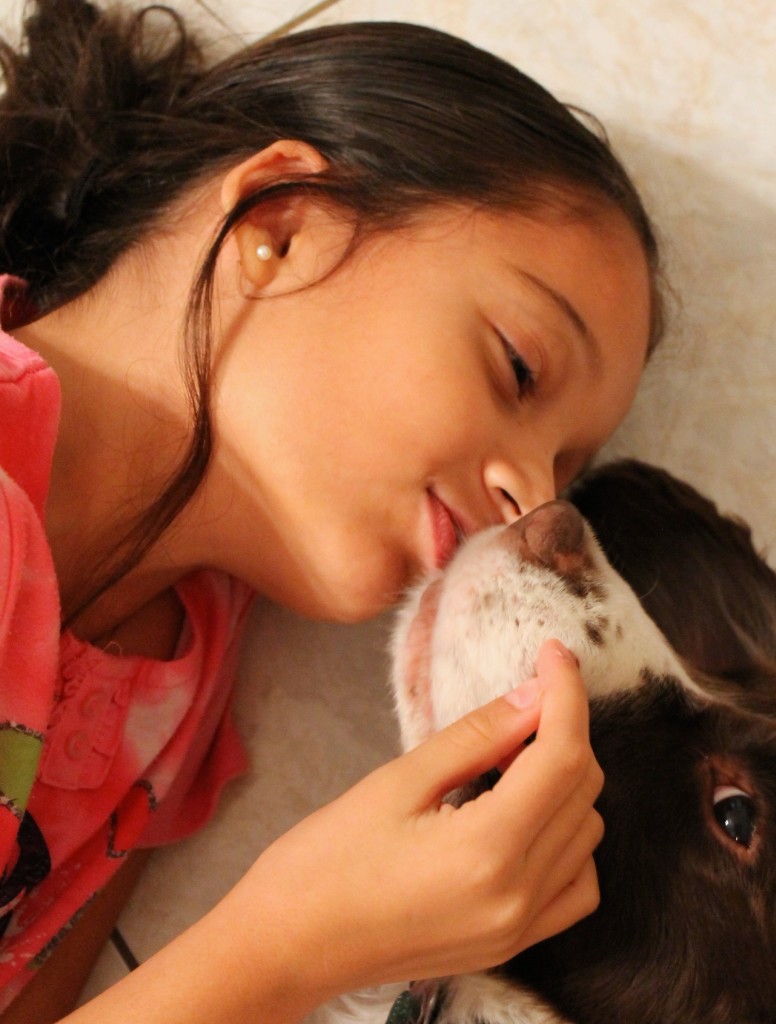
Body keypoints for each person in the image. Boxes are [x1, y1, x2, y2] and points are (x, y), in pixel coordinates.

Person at [0, 0, 662, 1020]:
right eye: (517, 366)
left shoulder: (176, 704)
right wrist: (292, 941)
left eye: (562, 472)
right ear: (281, 223)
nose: (530, 498)